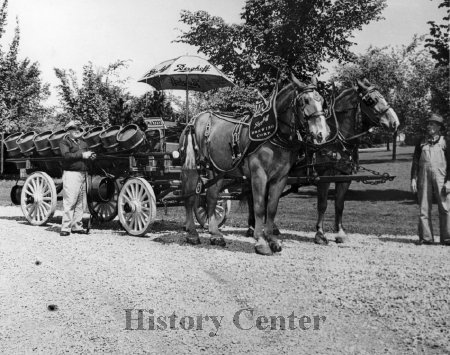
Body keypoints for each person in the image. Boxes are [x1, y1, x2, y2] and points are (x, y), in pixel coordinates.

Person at [411, 113, 450, 245]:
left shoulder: (446, 141)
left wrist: (449, 181)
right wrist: (413, 179)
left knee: (445, 208)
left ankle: (447, 238)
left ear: (439, 127)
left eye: (432, 124)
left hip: (442, 178)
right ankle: (426, 238)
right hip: (423, 177)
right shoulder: (421, 142)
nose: (429, 126)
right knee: (424, 208)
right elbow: (415, 161)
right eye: (428, 124)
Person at [59, 120, 96, 236]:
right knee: (70, 201)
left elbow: (86, 157)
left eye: (79, 130)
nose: (77, 131)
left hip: (83, 174)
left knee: (81, 202)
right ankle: (65, 228)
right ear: (69, 131)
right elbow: (66, 156)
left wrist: (91, 157)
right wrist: (82, 155)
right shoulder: (64, 142)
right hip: (71, 174)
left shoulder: (84, 144)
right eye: (74, 129)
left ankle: (77, 226)